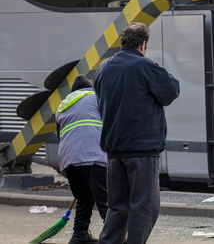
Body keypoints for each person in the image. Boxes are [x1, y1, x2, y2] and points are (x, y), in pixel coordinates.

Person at [94, 22, 180, 244]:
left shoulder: (103, 68)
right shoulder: (144, 66)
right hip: (142, 150)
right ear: (143, 44)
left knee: (117, 207)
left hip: (114, 150)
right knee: (144, 206)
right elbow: (172, 90)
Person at [55, 75, 108, 244]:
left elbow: (60, 136)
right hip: (93, 154)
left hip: (69, 158)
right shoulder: (96, 97)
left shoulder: (62, 106)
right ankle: (115, 236)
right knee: (105, 198)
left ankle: (79, 234)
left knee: (84, 197)